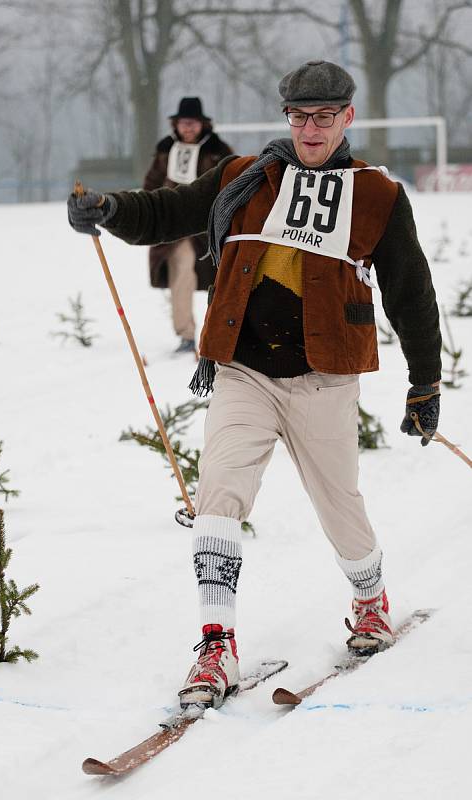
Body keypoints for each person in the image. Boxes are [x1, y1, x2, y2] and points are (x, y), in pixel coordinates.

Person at [68, 60, 442, 710]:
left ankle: (369, 598)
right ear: (286, 118)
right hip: (240, 365)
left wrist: (424, 383)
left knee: (340, 509)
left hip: (324, 378)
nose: (311, 127)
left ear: (347, 117)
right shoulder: (245, 177)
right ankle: (216, 645)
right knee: (219, 497)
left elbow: (410, 293)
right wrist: (109, 209)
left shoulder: (376, 195)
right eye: (299, 115)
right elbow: (166, 212)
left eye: (324, 115)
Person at [143, 97, 233, 354]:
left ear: (202, 124)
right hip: (174, 227)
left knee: (223, 280)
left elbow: (233, 182)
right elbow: (151, 184)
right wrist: (153, 214)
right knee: (180, 274)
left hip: (210, 230)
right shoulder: (165, 149)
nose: (188, 128)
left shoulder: (218, 150)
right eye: (184, 123)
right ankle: (186, 335)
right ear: (177, 124)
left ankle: (221, 333)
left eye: (193, 123)